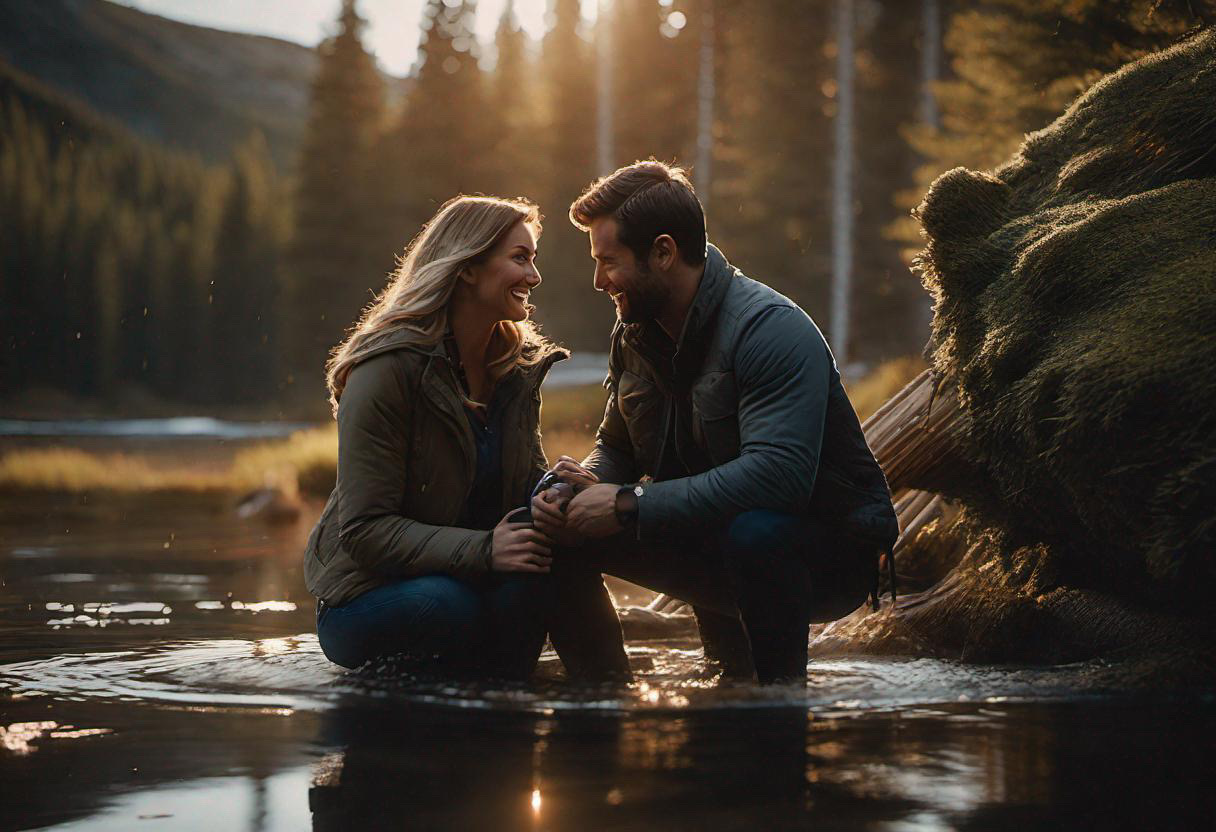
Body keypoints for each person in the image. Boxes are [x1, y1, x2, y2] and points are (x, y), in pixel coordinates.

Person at [531, 161, 899, 684]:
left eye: (608, 262)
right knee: (555, 528)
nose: (598, 281)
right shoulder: (634, 332)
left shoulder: (770, 329)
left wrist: (629, 503)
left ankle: (779, 701)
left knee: (755, 533)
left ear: (663, 252)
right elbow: (616, 447)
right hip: (708, 527)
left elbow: (779, 478)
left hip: (822, 551)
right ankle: (606, 697)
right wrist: (582, 486)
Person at [304, 195, 564, 679]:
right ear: (467, 268)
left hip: (473, 574)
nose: (534, 276)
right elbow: (364, 531)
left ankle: (579, 700)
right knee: (447, 603)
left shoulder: (515, 369)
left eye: (534, 260)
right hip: (369, 595)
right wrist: (485, 550)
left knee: (542, 573)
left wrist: (556, 490)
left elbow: (519, 486)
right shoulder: (385, 370)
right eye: (520, 258)